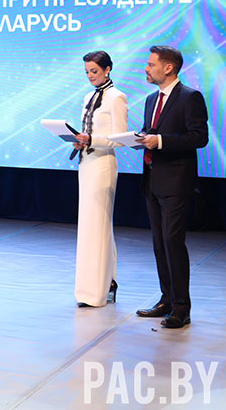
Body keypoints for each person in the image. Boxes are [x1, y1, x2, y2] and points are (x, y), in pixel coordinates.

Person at [134, 46, 208, 328]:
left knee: (173, 243)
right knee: (159, 244)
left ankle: (181, 308)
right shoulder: (151, 99)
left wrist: (161, 141)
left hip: (176, 182)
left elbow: (199, 137)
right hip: (152, 179)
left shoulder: (190, 97)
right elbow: (151, 132)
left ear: (168, 68)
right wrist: (140, 138)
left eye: (151, 64)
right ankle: (166, 299)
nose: (146, 68)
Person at [72, 51, 128, 307]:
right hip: (87, 163)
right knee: (91, 226)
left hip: (103, 165)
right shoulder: (88, 97)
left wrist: (92, 139)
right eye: (87, 72)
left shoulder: (116, 97)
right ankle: (108, 283)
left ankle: (95, 292)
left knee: (98, 226)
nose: (90, 76)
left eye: (94, 71)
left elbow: (120, 139)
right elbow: (89, 131)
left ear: (107, 69)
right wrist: (80, 140)